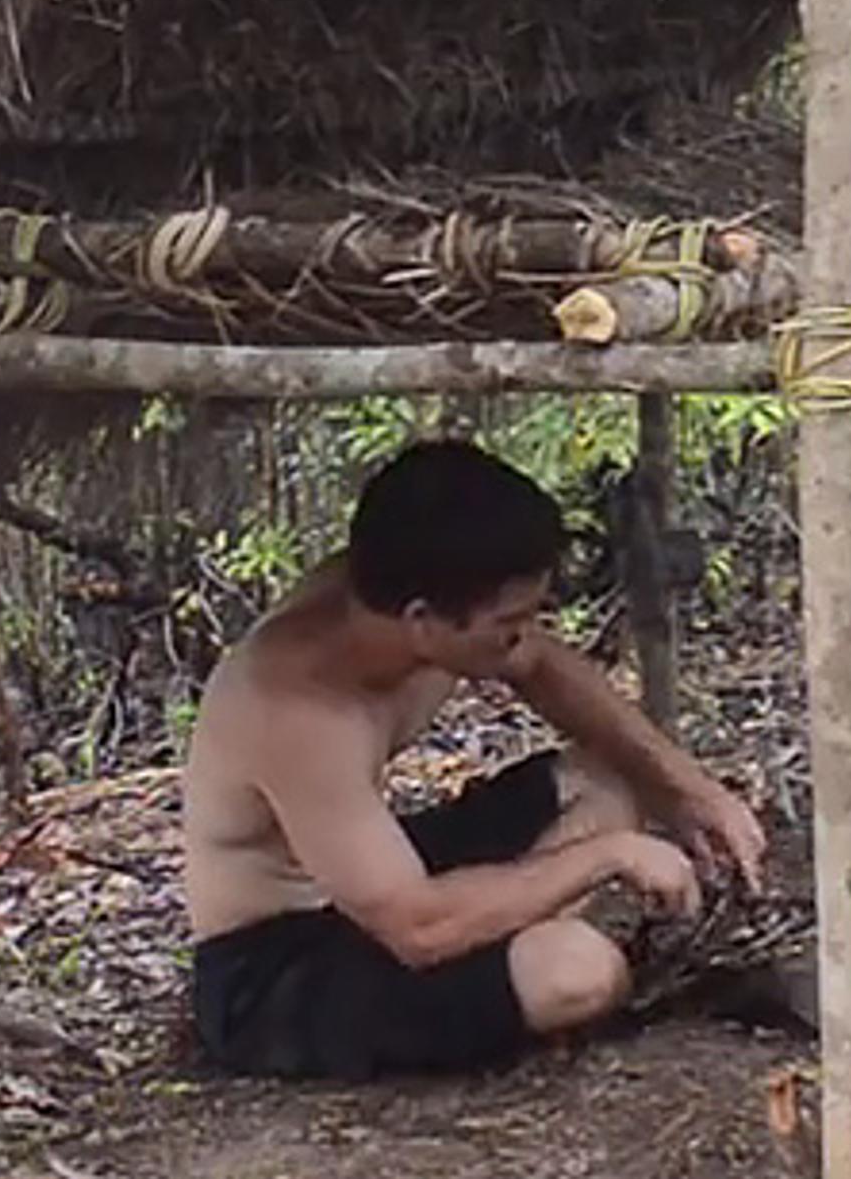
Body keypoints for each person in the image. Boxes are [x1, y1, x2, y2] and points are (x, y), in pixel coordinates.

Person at [178, 436, 771, 1080]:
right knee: (578, 972)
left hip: (368, 879)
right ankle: (525, 965)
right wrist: (608, 856)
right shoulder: (296, 709)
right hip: (277, 970)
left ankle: (507, 958)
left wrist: (688, 791)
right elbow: (417, 928)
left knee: (604, 781)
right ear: (423, 620)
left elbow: (539, 665)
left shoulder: (406, 601)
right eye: (509, 622)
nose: (524, 637)